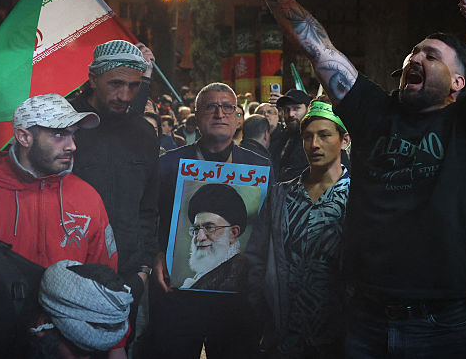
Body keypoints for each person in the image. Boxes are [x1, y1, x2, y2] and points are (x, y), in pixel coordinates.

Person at [242, 0, 466, 358]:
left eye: (431, 55)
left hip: (443, 324)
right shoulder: (375, 112)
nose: (415, 57)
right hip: (365, 319)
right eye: (413, 52)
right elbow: (317, 46)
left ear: (459, 82)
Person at [144, 82, 270, 359]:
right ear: (197, 116)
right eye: (210, 106)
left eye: (227, 107)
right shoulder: (167, 166)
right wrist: (155, 254)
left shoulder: (261, 168)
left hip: (239, 301)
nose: (219, 113)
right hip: (176, 294)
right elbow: (146, 217)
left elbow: (269, 230)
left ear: (238, 118)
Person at [246, 100, 351, 359]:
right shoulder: (281, 195)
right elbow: (256, 257)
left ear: (345, 140)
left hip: (343, 335)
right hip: (285, 333)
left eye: (324, 135)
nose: (314, 144)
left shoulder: (359, 198)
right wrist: (263, 310)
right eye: (307, 137)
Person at [0, 94, 116, 269]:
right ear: (24, 137)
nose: (72, 146)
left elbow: (104, 272)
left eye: (73, 134)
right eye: (59, 134)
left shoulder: (87, 197)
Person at [70, 40, 160, 309]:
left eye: (134, 86)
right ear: (93, 79)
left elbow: (147, 209)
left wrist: (143, 269)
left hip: (127, 276)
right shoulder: (64, 125)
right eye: (116, 84)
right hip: (69, 270)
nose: (125, 95)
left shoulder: (144, 133)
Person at [179, 183, 250, 291]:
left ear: (233, 233)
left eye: (209, 228)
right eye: (196, 229)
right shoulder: (203, 274)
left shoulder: (239, 274)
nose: (200, 237)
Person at [272, 88, 313, 182]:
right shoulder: (284, 137)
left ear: (308, 109)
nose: (291, 114)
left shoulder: (313, 139)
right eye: (287, 110)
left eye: (296, 108)